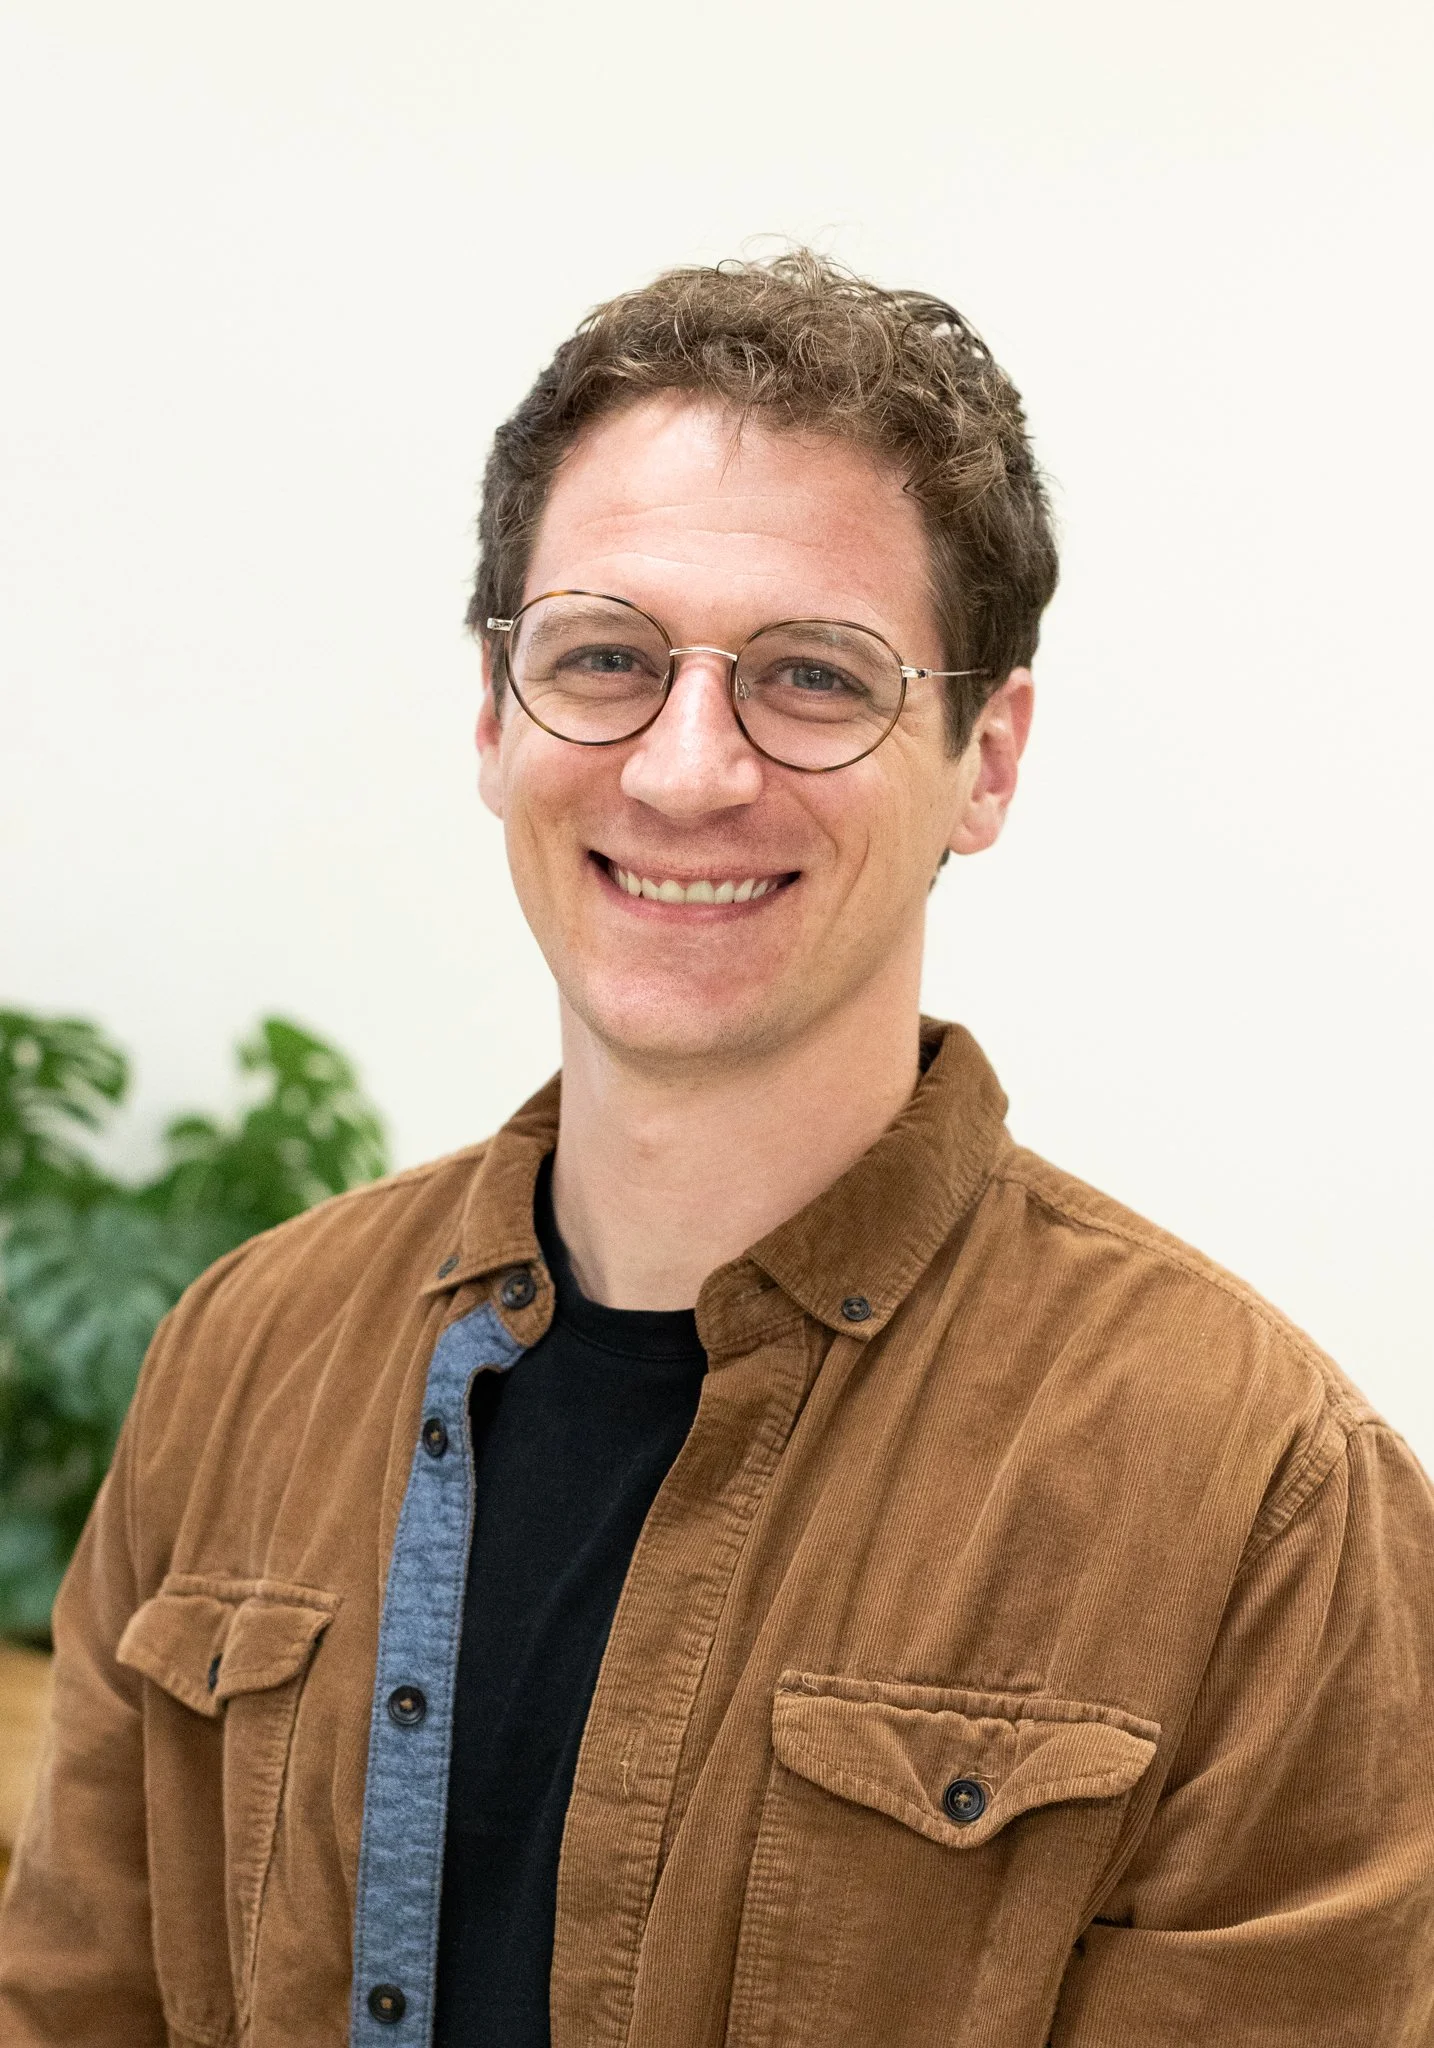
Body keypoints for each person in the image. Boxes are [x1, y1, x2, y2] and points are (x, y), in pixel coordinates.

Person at [1, 251, 1431, 2048]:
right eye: (602, 657)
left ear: (983, 759)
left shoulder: (1257, 1499)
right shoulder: (240, 1360)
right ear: (494, 714)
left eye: (812, 679)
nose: (685, 771)